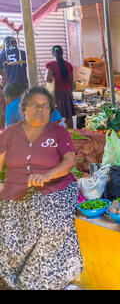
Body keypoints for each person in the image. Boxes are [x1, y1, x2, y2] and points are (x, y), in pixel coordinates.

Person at [0, 87, 83, 290]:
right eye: (34, 105)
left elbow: (69, 161)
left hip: (56, 189)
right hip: (15, 192)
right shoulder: (10, 133)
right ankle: (12, 280)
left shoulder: (58, 132)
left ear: (51, 110)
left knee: (49, 223)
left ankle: (37, 282)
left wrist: (47, 175)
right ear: (24, 108)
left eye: (45, 106)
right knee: (8, 230)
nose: (40, 109)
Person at [45, 46, 74, 128]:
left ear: (52, 53)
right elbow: (71, 81)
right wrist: (71, 94)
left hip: (56, 93)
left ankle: (57, 135)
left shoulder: (51, 65)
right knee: (69, 115)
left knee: (56, 116)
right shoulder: (68, 65)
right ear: (62, 53)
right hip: (67, 92)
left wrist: (53, 78)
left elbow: (47, 79)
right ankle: (72, 134)